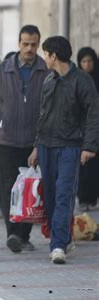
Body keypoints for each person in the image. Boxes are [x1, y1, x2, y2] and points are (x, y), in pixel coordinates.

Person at [28, 36, 99, 264]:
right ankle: (64, 238)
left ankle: (57, 245)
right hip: (47, 147)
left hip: (70, 147)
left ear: (54, 56)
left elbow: (93, 114)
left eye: (46, 54)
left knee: (64, 194)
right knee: (49, 197)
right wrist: (36, 148)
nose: (44, 59)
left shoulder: (82, 81)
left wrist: (89, 146)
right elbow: (42, 117)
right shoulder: (49, 81)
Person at [0, 25, 50, 253]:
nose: (29, 48)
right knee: (9, 188)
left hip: (33, 140)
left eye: (34, 44)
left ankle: (24, 236)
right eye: (25, 43)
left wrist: (39, 142)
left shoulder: (45, 70)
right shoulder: (3, 70)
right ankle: (12, 233)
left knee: (31, 188)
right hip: (7, 139)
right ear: (18, 43)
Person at [76, 47, 99, 211]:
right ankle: (84, 198)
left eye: (89, 61)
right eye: (83, 61)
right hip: (82, 129)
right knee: (84, 166)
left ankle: (93, 198)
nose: (87, 64)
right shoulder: (77, 80)